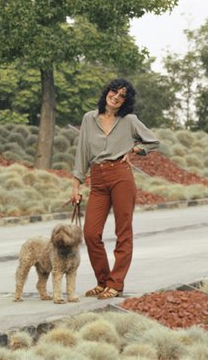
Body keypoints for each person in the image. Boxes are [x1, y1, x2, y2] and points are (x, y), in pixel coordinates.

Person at [67, 78, 158, 300]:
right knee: (90, 233)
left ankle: (116, 284)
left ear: (125, 101)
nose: (116, 97)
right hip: (97, 179)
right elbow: (81, 154)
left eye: (122, 96)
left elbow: (153, 142)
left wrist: (135, 149)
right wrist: (76, 186)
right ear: (107, 92)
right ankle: (103, 280)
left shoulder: (129, 120)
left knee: (123, 231)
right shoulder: (89, 119)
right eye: (114, 92)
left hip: (121, 176)